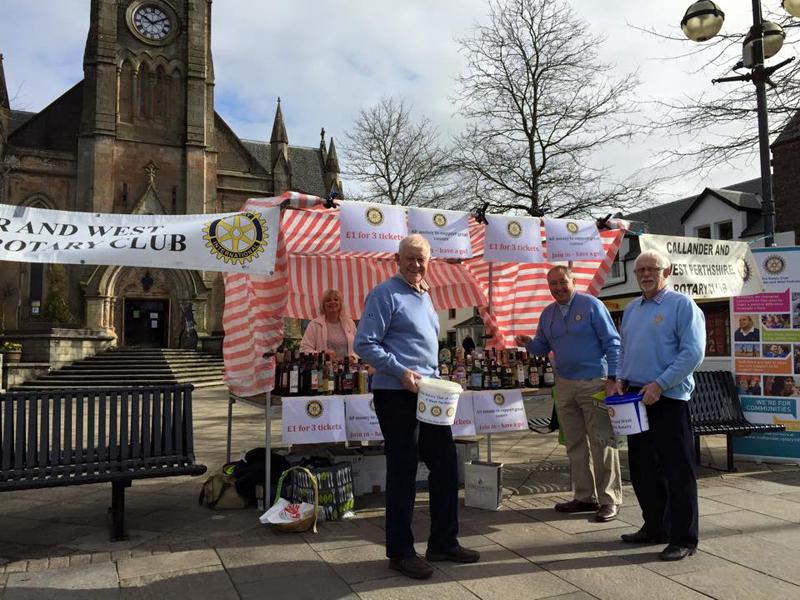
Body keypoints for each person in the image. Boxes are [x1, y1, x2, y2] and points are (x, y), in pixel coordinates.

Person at [354, 234, 480, 580]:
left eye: (421, 259)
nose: (416, 264)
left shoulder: (425, 295)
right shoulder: (384, 294)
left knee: (446, 465)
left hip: (429, 395)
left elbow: (422, 348)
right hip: (395, 393)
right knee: (403, 470)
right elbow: (364, 343)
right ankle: (400, 552)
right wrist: (400, 371)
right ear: (398, 259)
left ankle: (443, 542)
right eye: (410, 258)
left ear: (430, 261)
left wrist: (439, 378)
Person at [615, 249, 705, 561]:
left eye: (652, 269)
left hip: (668, 398)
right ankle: (655, 527)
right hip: (635, 399)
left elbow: (692, 353)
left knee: (677, 471)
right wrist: (620, 378)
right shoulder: (632, 308)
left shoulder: (682, 305)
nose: (645, 275)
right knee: (642, 470)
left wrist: (660, 384)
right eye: (640, 270)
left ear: (666, 272)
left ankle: (683, 539)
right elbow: (624, 349)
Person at [514, 266, 623, 523]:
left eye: (562, 282)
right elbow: (542, 346)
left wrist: (613, 378)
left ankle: (609, 499)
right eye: (553, 284)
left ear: (573, 281)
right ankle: (584, 496)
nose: (558, 288)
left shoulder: (591, 305)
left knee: (602, 441)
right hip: (564, 384)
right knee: (573, 443)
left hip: (595, 382)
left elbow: (613, 342)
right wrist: (528, 343)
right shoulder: (548, 314)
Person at [299, 289, 357, 359]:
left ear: (340, 304)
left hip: (349, 368)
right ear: (323, 305)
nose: (332, 302)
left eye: (336, 300)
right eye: (328, 300)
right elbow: (304, 349)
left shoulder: (350, 323)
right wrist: (322, 355)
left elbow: (359, 347)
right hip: (324, 368)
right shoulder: (314, 324)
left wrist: (353, 357)